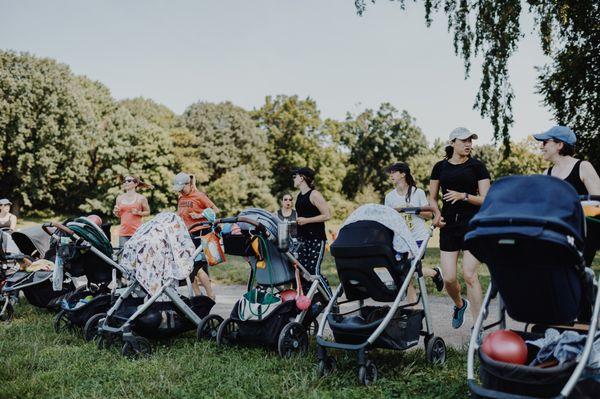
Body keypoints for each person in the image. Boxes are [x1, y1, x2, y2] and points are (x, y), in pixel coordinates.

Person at [429, 127, 491, 329]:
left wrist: (463, 196)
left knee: (469, 274)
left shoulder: (477, 166)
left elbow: (487, 199)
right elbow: (432, 197)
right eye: (464, 140)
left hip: (473, 225)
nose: (468, 144)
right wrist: (437, 214)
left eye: (471, 141)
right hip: (449, 225)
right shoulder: (440, 167)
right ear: (452, 142)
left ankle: (478, 326)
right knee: (448, 278)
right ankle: (459, 304)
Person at [533, 125, 600, 266]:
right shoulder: (547, 174)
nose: (541, 146)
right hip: (555, 235)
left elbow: (598, 205)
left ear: (559, 144)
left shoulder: (583, 167)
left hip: (582, 236)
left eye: (545, 142)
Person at [384, 163, 444, 303]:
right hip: (400, 240)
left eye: (393, 172)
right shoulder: (389, 197)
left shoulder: (418, 193)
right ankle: (434, 274)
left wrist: (412, 209)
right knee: (406, 273)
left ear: (403, 174)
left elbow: (429, 215)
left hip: (418, 237)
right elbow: (388, 220)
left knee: (408, 271)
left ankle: (433, 274)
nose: (391, 175)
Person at [173, 172, 220, 300]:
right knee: (188, 268)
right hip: (187, 235)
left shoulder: (199, 196)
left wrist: (200, 215)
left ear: (188, 184)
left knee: (197, 267)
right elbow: (180, 214)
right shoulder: (181, 198)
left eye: (182, 189)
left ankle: (210, 296)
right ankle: (198, 297)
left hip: (201, 234)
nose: (181, 192)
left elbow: (215, 210)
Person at [292, 167, 332, 296]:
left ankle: (332, 302)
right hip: (302, 239)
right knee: (303, 273)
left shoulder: (314, 194)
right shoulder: (299, 196)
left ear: (302, 178)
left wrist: (307, 220)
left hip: (316, 238)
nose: (294, 178)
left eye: (295, 176)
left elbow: (327, 215)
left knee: (314, 272)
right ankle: (308, 305)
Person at [112, 175, 151, 247]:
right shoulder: (119, 198)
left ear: (136, 184)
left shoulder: (141, 198)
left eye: (129, 181)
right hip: (123, 233)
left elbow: (148, 212)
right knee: (123, 257)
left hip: (137, 233)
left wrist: (138, 213)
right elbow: (119, 215)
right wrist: (115, 212)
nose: (126, 182)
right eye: (124, 181)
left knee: (136, 257)